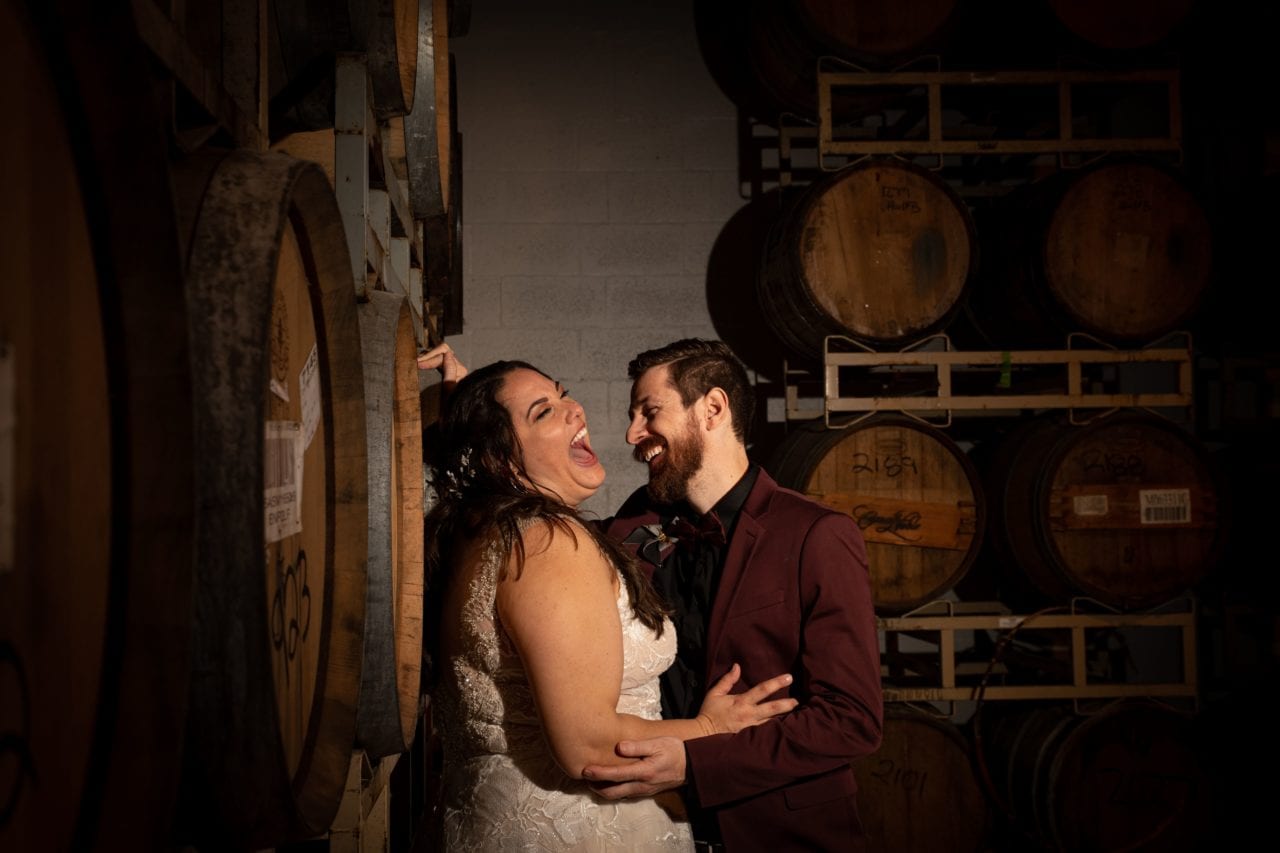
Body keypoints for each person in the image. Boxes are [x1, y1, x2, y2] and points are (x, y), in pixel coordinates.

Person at [419, 356, 798, 852]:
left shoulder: (476, 533)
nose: (575, 409)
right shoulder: (548, 544)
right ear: (503, 461)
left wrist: (464, 401)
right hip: (578, 831)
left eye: (561, 392)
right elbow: (589, 747)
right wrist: (709, 728)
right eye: (543, 412)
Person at [580, 338, 884, 852]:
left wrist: (694, 762)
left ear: (713, 408)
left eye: (648, 412)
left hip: (781, 832)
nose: (633, 434)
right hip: (653, 828)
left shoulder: (817, 535)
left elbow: (851, 721)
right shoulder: (639, 521)